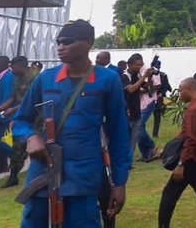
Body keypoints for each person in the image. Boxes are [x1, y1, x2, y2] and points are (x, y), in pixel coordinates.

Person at [12, 19, 131, 227]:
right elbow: (21, 120)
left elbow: (119, 134)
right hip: (43, 174)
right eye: (58, 42)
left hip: (82, 179)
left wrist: (119, 183)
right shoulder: (45, 79)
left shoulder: (107, 80)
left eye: (67, 41)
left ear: (88, 43)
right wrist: (31, 137)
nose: (60, 47)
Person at [157, 77, 196, 228]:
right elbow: (187, 133)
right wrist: (168, 147)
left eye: (181, 90)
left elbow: (191, 139)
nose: (179, 93)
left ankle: (163, 225)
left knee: (169, 194)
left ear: (189, 89)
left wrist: (181, 164)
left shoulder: (194, 110)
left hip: (191, 159)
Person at [0, 56, 34, 188]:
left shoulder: (34, 78)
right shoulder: (18, 79)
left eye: (12, 66)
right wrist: (1, 108)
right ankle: (13, 176)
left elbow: (32, 101)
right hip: (21, 117)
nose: (11, 69)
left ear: (20, 65)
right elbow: (15, 97)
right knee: (17, 146)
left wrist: (13, 110)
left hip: (35, 118)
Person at [120, 53, 158, 162]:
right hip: (126, 112)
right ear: (129, 65)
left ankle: (129, 161)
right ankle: (150, 148)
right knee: (125, 139)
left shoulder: (137, 76)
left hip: (136, 112)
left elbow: (149, 90)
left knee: (133, 139)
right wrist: (144, 77)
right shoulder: (124, 76)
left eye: (141, 65)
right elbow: (131, 89)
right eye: (137, 65)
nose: (139, 67)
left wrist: (149, 78)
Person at [150, 58, 172, 139]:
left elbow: (166, 86)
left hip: (159, 98)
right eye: (155, 66)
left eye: (158, 66)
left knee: (157, 116)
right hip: (149, 98)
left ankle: (155, 134)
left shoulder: (163, 75)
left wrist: (161, 94)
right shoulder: (148, 75)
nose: (157, 67)